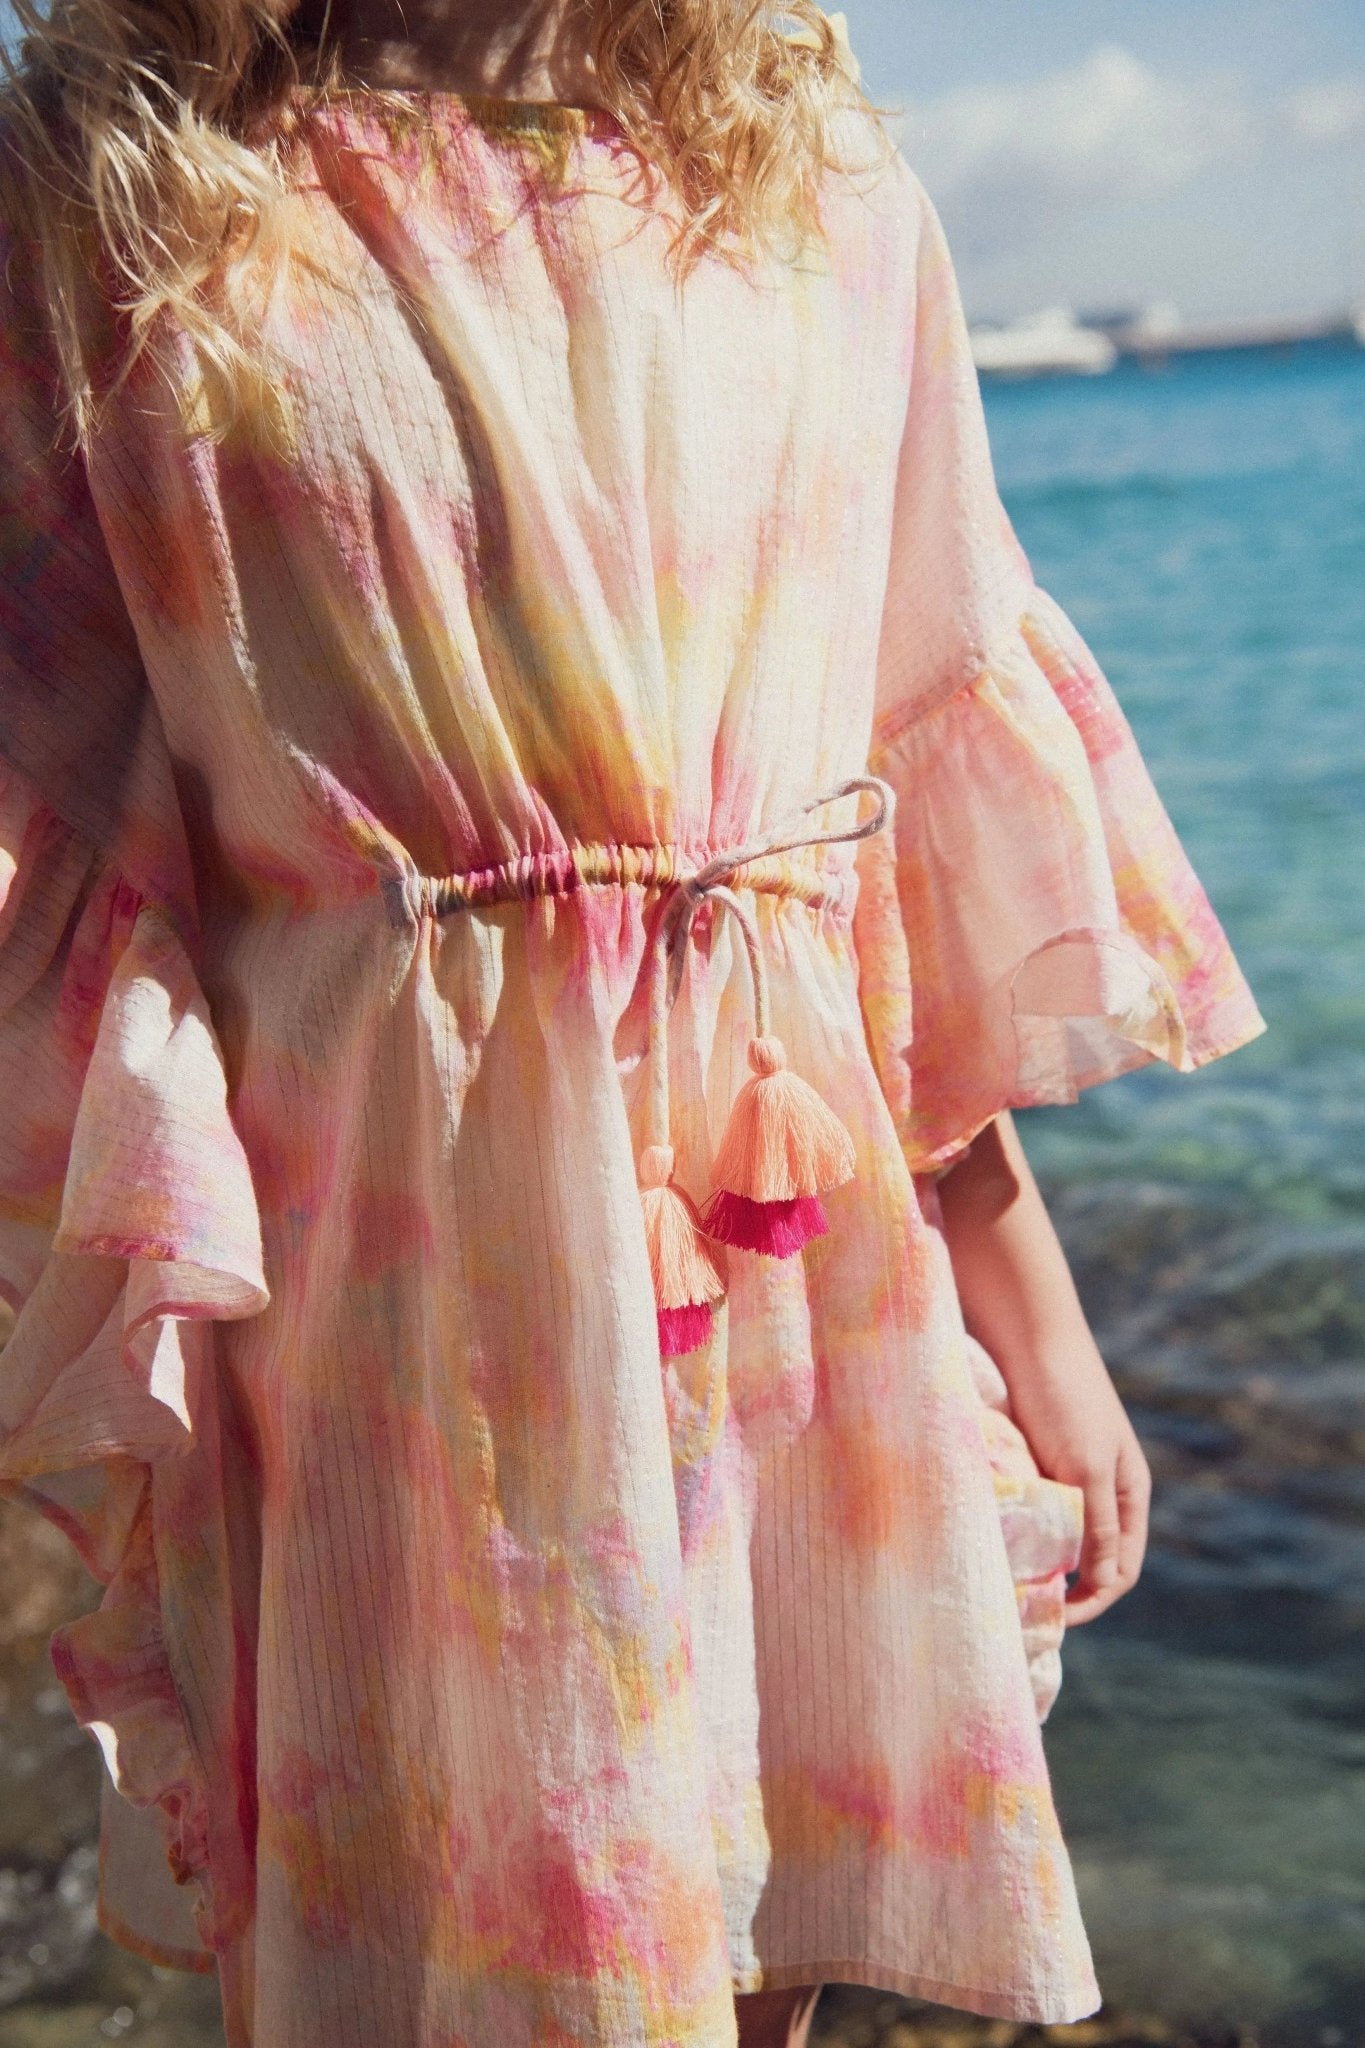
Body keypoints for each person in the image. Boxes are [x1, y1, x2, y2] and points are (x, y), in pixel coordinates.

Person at [0, 0, 1265, 2043]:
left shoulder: (817, 179)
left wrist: (1011, 1268)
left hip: (793, 1250)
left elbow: (892, 768)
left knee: (763, 1913)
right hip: (385, 1303)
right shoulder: (114, 176)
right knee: (436, 1951)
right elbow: (57, 797)